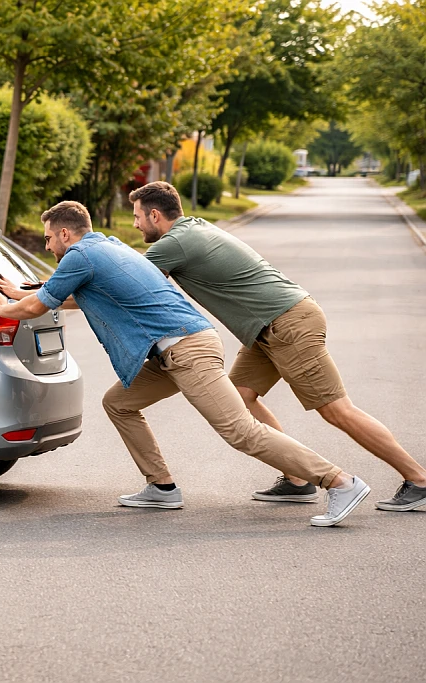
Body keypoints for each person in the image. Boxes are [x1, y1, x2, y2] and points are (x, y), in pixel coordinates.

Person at [0, 200, 369, 527]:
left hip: (187, 350)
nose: (46, 247)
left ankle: (338, 481)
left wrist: (4, 306)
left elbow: (36, 306)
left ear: (65, 233)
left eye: (47, 238)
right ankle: (161, 487)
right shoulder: (107, 247)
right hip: (175, 349)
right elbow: (77, 296)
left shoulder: (80, 255)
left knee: (240, 431)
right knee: (119, 403)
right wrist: (22, 292)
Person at [131, 180, 426, 512]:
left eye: (138, 216)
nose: (135, 224)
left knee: (336, 410)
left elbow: (125, 279)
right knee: (238, 398)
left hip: (287, 323)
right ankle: (297, 479)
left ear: (155, 215)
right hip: (267, 327)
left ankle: (419, 479)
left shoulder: (174, 243)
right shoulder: (194, 228)